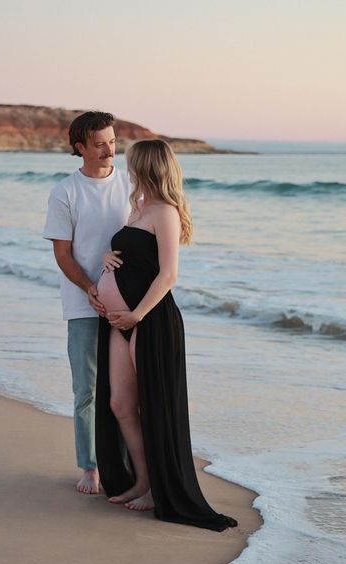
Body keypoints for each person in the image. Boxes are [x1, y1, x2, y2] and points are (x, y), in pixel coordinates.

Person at [95, 139, 237, 531]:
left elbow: (168, 274)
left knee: (154, 406)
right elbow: (130, 257)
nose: (128, 167)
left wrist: (137, 314)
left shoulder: (166, 212)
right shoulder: (137, 207)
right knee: (121, 405)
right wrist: (106, 260)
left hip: (151, 320)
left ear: (146, 166)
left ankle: (159, 489)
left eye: (132, 162)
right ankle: (142, 480)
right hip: (118, 322)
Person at [43, 111, 131, 494]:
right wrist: (89, 288)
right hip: (82, 305)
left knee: (127, 391)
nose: (109, 149)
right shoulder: (65, 191)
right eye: (99, 143)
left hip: (127, 305)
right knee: (87, 391)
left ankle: (129, 467)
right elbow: (63, 255)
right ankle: (90, 468)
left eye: (112, 141)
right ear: (80, 147)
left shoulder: (130, 183)